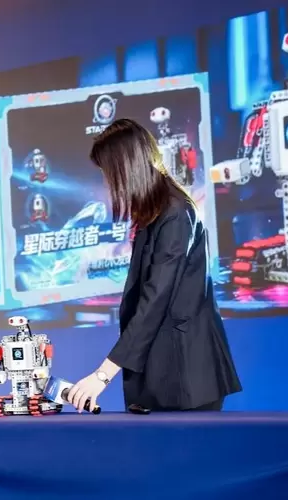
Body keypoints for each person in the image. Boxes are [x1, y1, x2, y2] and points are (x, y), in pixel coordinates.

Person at [67, 118, 242, 413]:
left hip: (186, 378)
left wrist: (102, 376)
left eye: (109, 174)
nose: (108, 184)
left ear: (127, 169)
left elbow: (156, 300)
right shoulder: (155, 213)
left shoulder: (175, 214)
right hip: (161, 372)